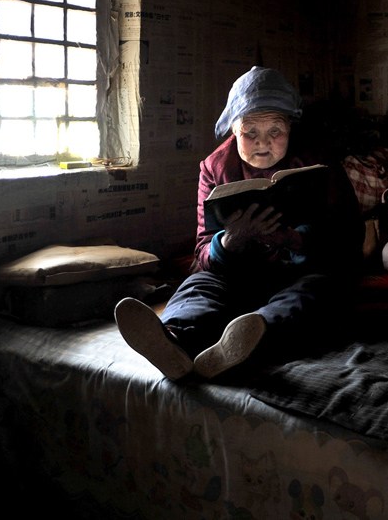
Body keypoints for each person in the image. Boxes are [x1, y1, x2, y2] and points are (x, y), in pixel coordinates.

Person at [114, 66, 363, 381]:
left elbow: (350, 237)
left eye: (276, 131)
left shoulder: (319, 162)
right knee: (197, 285)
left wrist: (294, 239)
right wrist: (229, 241)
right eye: (250, 132)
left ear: (291, 126)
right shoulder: (215, 167)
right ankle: (174, 341)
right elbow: (203, 249)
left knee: (317, 293)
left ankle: (251, 336)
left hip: (300, 274)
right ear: (233, 130)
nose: (263, 143)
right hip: (238, 275)